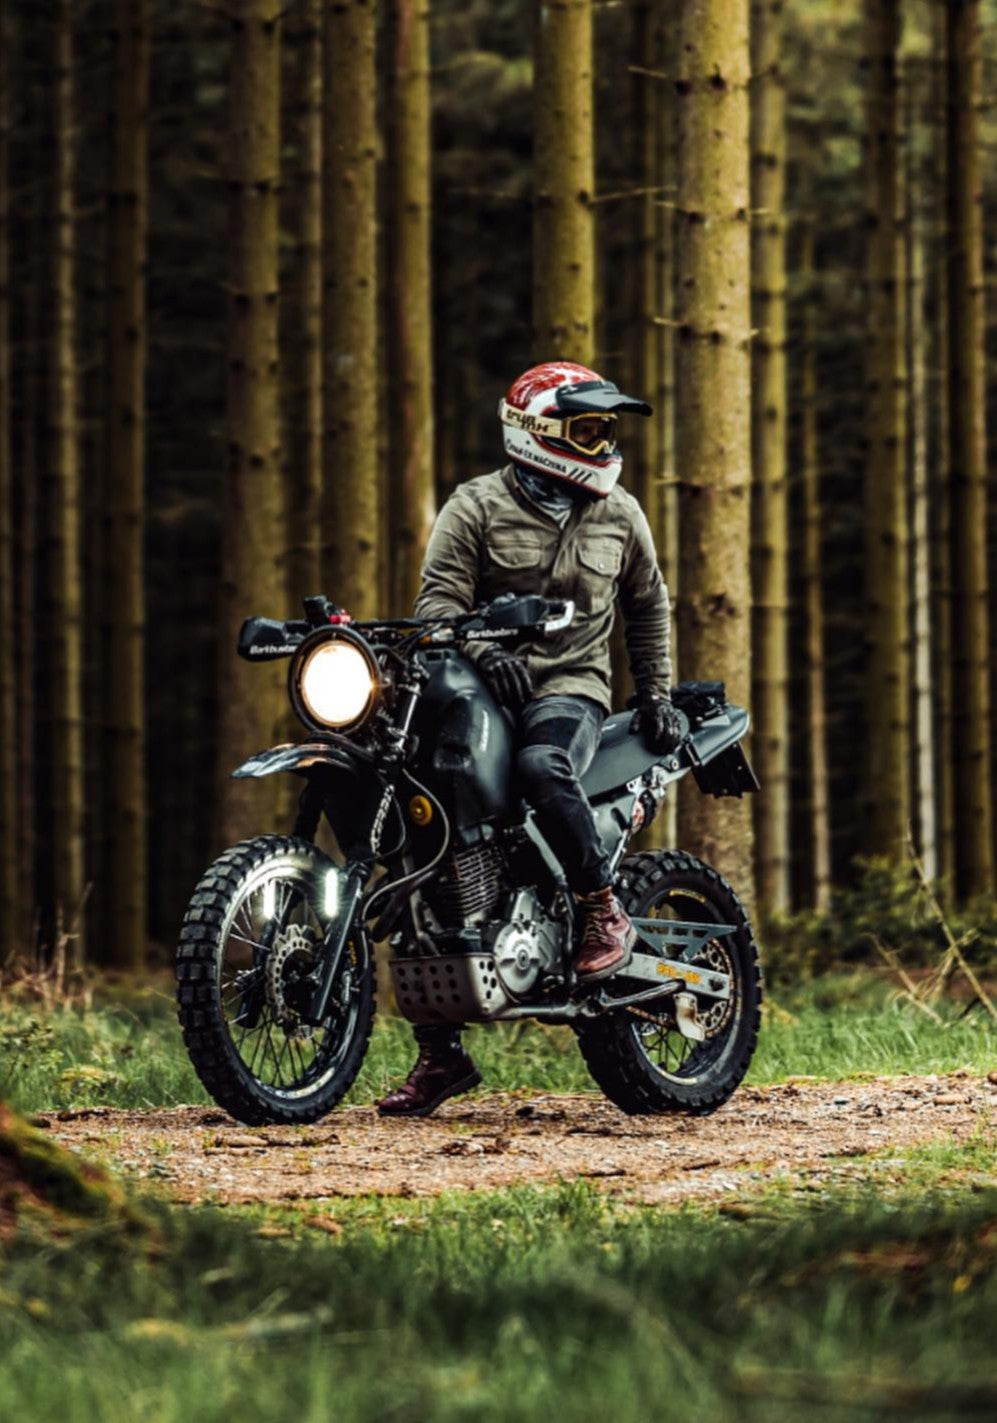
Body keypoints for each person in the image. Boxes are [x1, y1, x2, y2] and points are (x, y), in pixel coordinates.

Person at [377, 360, 682, 1117]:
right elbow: (437, 602)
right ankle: (440, 1055)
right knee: (423, 836)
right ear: (536, 431)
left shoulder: (621, 513)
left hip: (569, 690)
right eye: (588, 429)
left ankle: (600, 908)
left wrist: (657, 695)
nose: (603, 442)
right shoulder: (475, 505)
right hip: (476, 690)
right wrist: (483, 651)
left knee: (544, 766)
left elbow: (648, 606)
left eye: (605, 429)